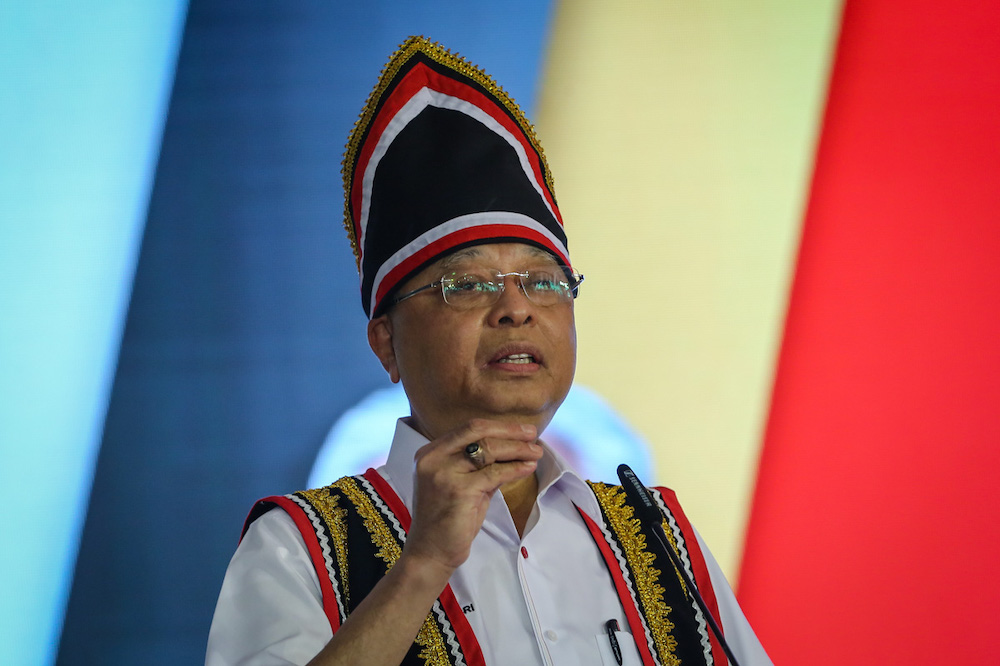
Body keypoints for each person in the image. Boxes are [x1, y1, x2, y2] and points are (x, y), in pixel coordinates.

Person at [206, 36, 773, 666]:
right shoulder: (300, 545)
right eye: (467, 285)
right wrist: (423, 564)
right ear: (386, 343)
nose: (517, 308)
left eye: (544, 281)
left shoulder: (655, 534)